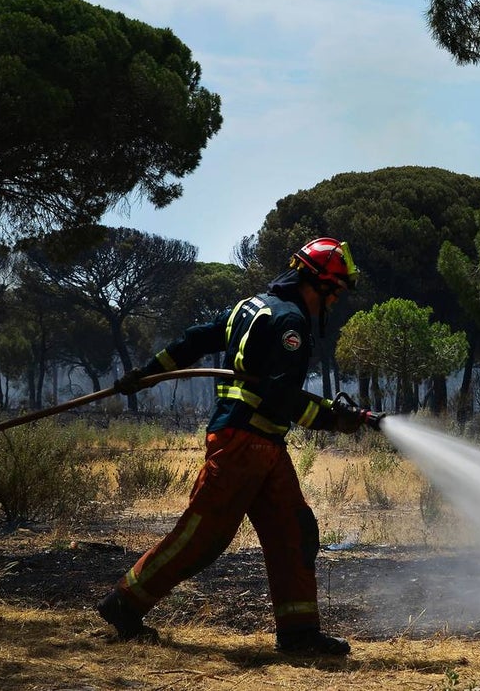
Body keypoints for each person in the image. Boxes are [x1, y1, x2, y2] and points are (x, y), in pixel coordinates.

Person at [96, 237, 383, 655]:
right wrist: (334, 419)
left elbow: (194, 340)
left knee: (294, 531)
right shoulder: (290, 322)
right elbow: (279, 397)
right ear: (318, 283)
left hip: (264, 444)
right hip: (241, 444)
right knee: (203, 536)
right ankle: (125, 603)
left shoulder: (249, 307)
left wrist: (148, 371)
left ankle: (299, 633)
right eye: (336, 291)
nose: (336, 301)